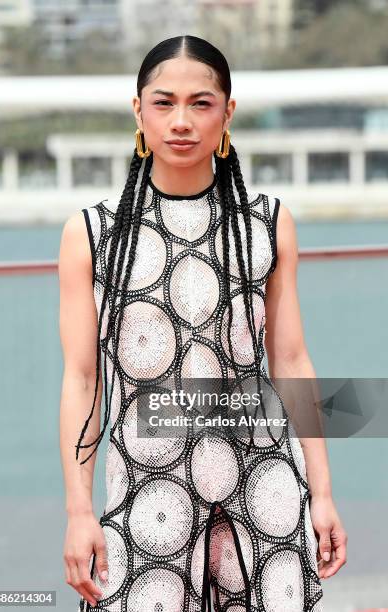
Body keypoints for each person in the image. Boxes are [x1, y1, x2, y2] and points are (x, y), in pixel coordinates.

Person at [58, 35, 347, 612]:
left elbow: (290, 362)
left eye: (201, 103)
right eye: (164, 103)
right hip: (145, 486)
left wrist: (323, 493)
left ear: (228, 113)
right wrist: (79, 512)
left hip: (264, 482)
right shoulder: (91, 236)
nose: (182, 122)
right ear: (137, 110)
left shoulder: (267, 223)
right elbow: (82, 382)